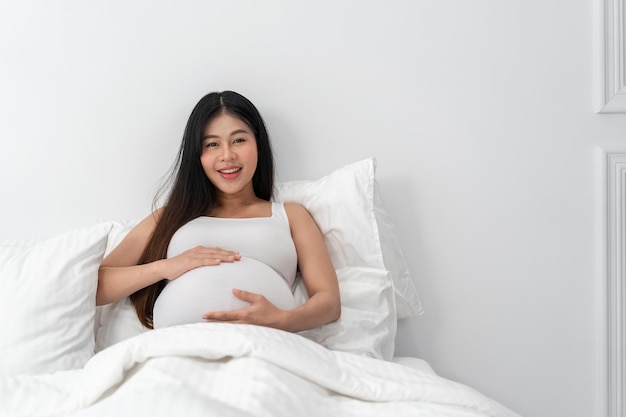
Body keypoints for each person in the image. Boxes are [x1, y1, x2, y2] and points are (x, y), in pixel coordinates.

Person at [96, 90, 341, 333]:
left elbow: (328, 302)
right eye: (212, 144)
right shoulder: (169, 218)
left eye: (239, 140)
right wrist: (166, 267)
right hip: (178, 353)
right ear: (197, 155)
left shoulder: (292, 216)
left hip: (264, 347)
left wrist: (283, 320)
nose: (227, 155)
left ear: (258, 144)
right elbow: (96, 287)